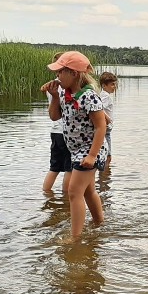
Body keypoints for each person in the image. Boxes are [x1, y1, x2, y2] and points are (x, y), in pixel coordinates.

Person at [43, 51, 108, 240]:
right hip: (76, 150)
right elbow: (55, 117)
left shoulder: (89, 96)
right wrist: (54, 96)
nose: (57, 76)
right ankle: (99, 223)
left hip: (90, 150)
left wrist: (92, 155)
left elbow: (100, 126)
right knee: (88, 191)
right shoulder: (65, 94)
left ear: (74, 73)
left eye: (60, 72)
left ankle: (75, 237)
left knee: (73, 192)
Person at [42, 53, 72, 193]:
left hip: (54, 132)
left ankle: (46, 194)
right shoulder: (65, 86)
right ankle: (66, 200)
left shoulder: (50, 86)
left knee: (54, 168)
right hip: (66, 131)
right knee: (69, 169)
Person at [99, 71, 118, 168]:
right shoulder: (105, 96)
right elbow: (98, 108)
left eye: (114, 84)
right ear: (104, 85)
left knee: (105, 155)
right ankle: (104, 180)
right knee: (108, 157)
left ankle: (103, 179)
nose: (114, 86)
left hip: (105, 130)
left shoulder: (103, 95)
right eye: (112, 84)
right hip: (105, 130)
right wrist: (108, 119)